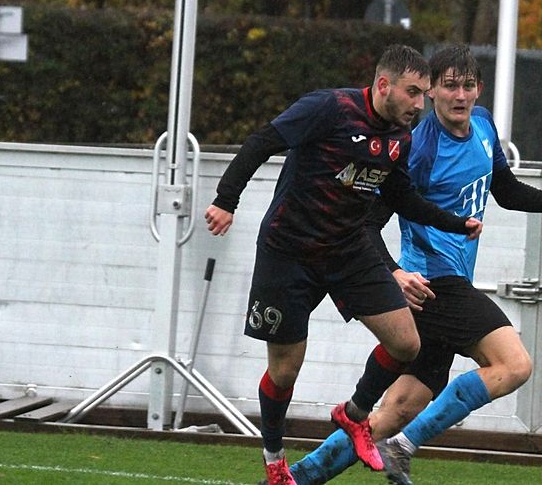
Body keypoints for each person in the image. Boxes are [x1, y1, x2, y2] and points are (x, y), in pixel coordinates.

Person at [286, 44, 542, 485]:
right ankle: (404, 447)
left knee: (394, 412)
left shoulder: (483, 125)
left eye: (467, 86)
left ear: (479, 88)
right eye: (448, 87)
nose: (459, 96)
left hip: (439, 291)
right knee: (514, 365)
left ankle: (296, 478)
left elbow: (505, 191)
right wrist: (394, 272)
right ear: (431, 92)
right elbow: (366, 223)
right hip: (435, 284)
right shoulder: (419, 148)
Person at [205, 44, 483, 485]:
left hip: (348, 251)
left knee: (406, 343)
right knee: (285, 370)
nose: (420, 103)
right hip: (289, 252)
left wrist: (455, 222)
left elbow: (402, 197)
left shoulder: (401, 135)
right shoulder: (330, 108)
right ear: (384, 85)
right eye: (413, 92)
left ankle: (354, 415)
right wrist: (226, 200)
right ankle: (275, 463)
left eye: (423, 93)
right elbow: (263, 141)